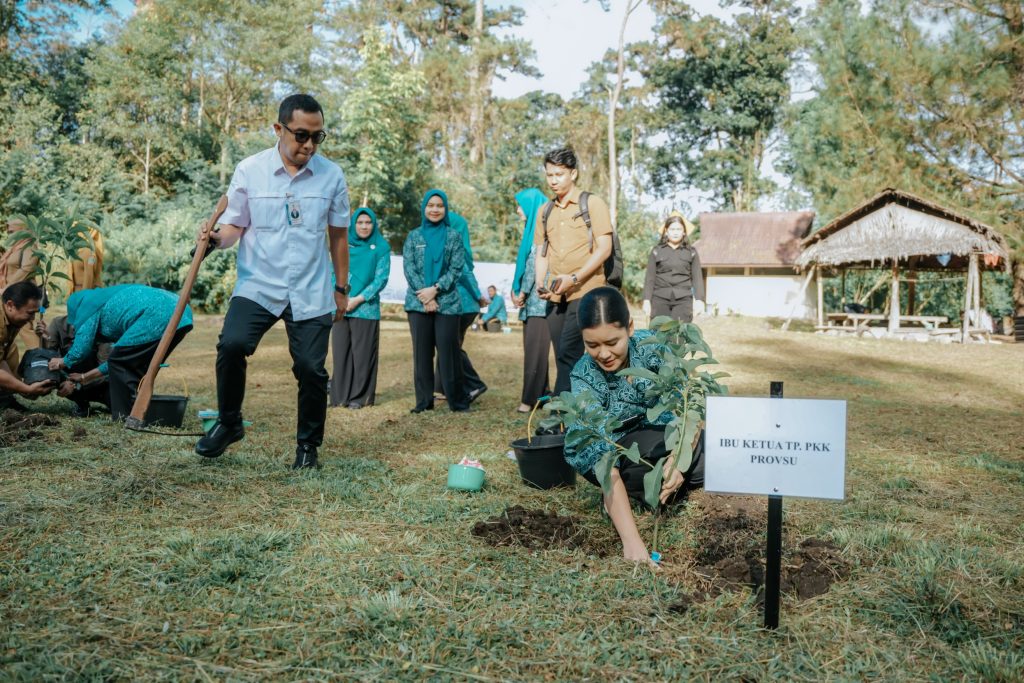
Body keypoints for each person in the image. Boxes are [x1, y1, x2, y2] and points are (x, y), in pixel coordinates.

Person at [194, 93, 350, 469]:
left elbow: (339, 237)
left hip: (311, 288)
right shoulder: (250, 170)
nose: (309, 145)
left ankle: (307, 448)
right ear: (278, 129)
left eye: (317, 137)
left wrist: (341, 289)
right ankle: (229, 422)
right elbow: (235, 226)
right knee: (231, 345)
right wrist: (217, 238)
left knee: (312, 370)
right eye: (300, 135)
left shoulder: (332, 176)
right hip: (259, 284)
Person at [563, 287, 705, 565]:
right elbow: (602, 459)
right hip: (622, 456)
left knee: (706, 451)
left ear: (629, 328)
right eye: (592, 345)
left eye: (612, 342)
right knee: (643, 467)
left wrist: (680, 458)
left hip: (666, 438)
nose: (603, 354)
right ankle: (625, 498)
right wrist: (632, 543)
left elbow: (691, 406)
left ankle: (668, 480)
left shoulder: (652, 348)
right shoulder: (583, 376)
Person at [49, 284, 193, 422]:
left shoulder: (88, 306)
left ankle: (126, 416)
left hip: (157, 314)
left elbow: (82, 348)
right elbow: (117, 360)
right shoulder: (106, 301)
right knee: (139, 364)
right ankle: (140, 412)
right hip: (181, 313)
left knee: (123, 363)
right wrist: (84, 377)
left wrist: (63, 361)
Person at [533, 147, 613, 395]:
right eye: (549, 175)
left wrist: (575, 278)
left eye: (559, 174)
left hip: (587, 291)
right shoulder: (544, 211)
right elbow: (542, 252)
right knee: (563, 355)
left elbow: (604, 248)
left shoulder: (592, 203)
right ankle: (583, 407)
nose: (553, 180)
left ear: (574, 173)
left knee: (570, 351)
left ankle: (562, 414)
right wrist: (540, 283)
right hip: (557, 295)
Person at [403, 189, 468, 413]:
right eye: (430, 205)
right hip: (418, 303)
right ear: (424, 208)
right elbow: (409, 268)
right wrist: (425, 295)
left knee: (449, 354)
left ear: (445, 209)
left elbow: (456, 268)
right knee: (422, 355)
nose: (435, 209)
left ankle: (458, 402)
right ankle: (423, 402)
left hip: (447, 303)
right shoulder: (414, 236)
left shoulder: (454, 236)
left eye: (439, 205)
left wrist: (436, 290)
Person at [330, 207, 390, 409]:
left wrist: (357, 299)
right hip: (340, 306)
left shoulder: (381, 247)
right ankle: (339, 397)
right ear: (353, 224)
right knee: (341, 353)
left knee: (363, 355)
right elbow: (333, 270)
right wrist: (340, 296)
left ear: (373, 225)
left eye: (368, 222)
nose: (364, 226)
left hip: (366, 308)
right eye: (360, 222)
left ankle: (360, 397)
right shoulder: (343, 244)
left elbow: (381, 278)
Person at [434, 210, 488, 405]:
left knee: (450, 346)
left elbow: (464, 272)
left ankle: (474, 384)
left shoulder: (454, 246)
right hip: (460, 305)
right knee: (447, 345)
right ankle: (442, 387)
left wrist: (478, 295)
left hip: (462, 306)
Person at [512, 188, 551, 413]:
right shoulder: (531, 230)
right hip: (534, 302)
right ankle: (544, 395)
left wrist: (523, 292)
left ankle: (529, 400)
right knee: (535, 351)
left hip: (540, 300)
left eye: (520, 205)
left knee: (535, 352)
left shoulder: (542, 229)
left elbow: (533, 266)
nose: (518, 210)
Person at [40, 314, 111, 417]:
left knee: (121, 409)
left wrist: (80, 380)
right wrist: (45, 340)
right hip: (70, 381)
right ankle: (81, 403)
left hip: (99, 383)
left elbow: (106, 369)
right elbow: (49, 359)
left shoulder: (102, 327)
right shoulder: (58, 323)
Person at [0, 282, 56, 409]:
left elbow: (1, 360)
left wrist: (22, 389)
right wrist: (27, 389)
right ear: (10, 305)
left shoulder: (11, 320)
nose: (32, 319)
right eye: (30, 313)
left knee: (11, 353)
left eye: (35, 313)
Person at [642, 214, 705, 322]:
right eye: (672, 229)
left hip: (683, 300)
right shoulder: (656, 251)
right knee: (659, 335)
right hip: (659, 299)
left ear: (684, 232)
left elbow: (697, 278)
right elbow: (650, 278)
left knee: (679, 336)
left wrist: (699, 300)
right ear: (666, 231)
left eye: (679, 229)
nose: (675, 232)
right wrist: (646, 300)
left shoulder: (691, 252)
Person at [1, 218, 41, 351]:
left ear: (22, 229)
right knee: (10, 331)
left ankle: (38, 359)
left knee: (26, 329)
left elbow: (26, 269)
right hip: (11, 293)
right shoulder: (15, 247)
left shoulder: (29, 246)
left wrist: (6, 289)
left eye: (12, 231)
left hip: (23, 295)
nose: (9, 234)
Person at [69, 226, 104, 293]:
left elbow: (89, 275)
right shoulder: (76, 252)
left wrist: (83, 296)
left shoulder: (89, 253)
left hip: (83, 293)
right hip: (76, 294)